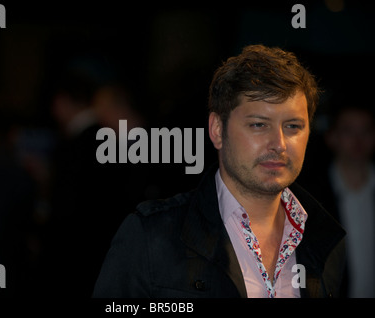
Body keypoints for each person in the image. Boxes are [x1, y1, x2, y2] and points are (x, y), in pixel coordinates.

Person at [93, 44, 346, 298]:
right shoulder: (150, 236)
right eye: (259, 124)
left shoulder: (325, 241)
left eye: (292, 126)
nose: (279, 144)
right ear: (217, 130)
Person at [306, 102, 375, 297]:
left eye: (366, 130)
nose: (358, 139)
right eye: (348, 131)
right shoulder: (311, 197)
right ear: (332, 137)